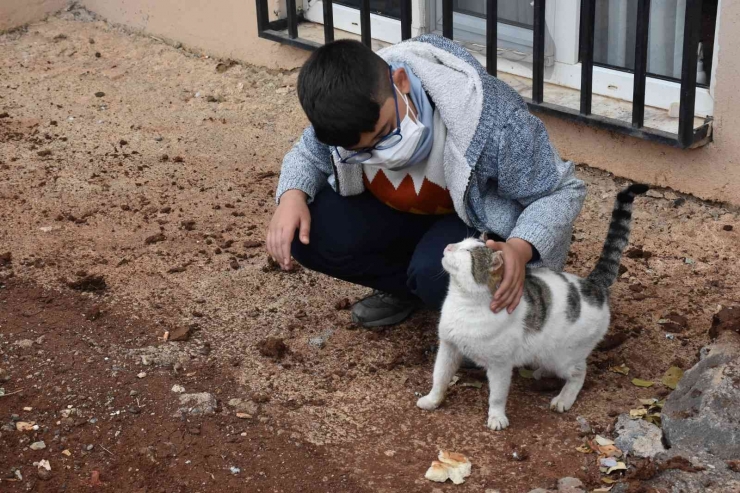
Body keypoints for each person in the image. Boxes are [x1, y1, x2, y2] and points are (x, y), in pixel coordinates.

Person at [266, 35, 586, 328]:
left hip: (477, 223)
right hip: (411, 215)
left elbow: (560, 191)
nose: (380, 153)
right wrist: (291, 195)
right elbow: (310, 150)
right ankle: (409, 291)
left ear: (401, 81)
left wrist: (519, 249)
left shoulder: (494, 121)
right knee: (306, 233)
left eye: (384, 133)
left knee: (435, 273)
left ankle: (494, 326)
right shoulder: (347, 110)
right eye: (363, 151)